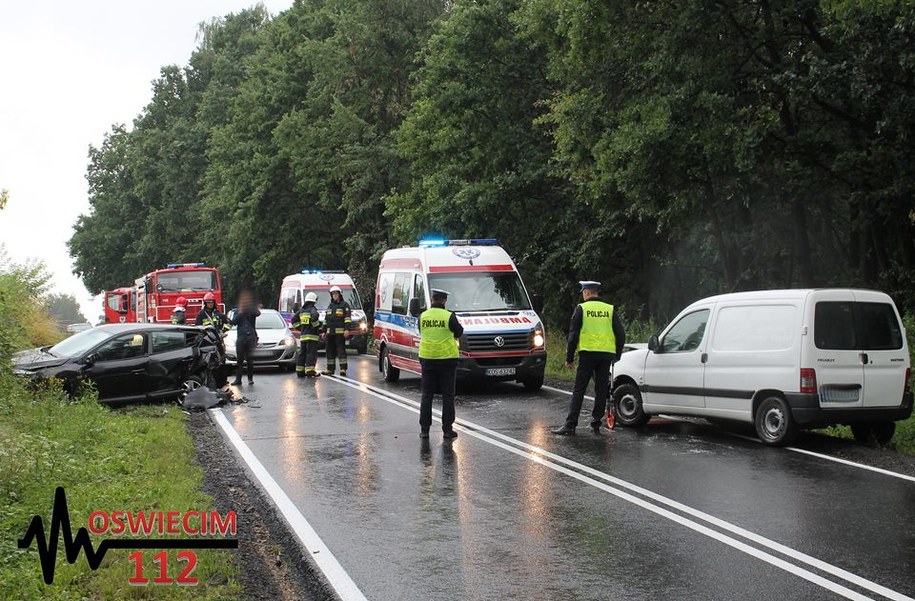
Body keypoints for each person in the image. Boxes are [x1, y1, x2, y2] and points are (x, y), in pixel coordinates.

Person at [553, 281, 626, 436]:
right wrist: (617, 355)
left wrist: (569, 358)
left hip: (587, 354)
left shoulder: (582, 308)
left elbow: (573, 336)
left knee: (579, 389)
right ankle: (596, 422)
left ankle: (571, 424)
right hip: (606, 355)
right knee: (600, 389)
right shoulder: (609, 309)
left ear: (586, 292)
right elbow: (621, 334)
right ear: (596, 292)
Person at [418, 288, 464, 439]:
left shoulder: (423, 316)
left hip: (427, 359)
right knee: (448, 395)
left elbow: (421, 331)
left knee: (426, 395)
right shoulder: (449, 316)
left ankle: (424, 430)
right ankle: (447, 430)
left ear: (432, 299)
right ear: (444, 300)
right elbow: (459, 332)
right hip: (447, 360)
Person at [230, 290, 260, 386]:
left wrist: (252, 306)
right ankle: (238, 379)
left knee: (250, 359)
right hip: (241, 338)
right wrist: (241, 312)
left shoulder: (252, 309)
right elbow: (233, 322)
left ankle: (250, 379)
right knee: (240, 360)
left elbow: (258, 313)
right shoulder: (238, 310)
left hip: (250, 337)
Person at [321, 285, 352, 376]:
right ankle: (330, 369)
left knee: (341, 351)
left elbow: (347, 319)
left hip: (340, 334)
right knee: (329, 351)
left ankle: (343, 369)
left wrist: (346, 329)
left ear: (339, 294)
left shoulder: (344, 305)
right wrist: (323, 331)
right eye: (333, 294)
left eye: (336, 293)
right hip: (330, 333)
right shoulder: (330, 306)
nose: (334, 295)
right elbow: (326, 320)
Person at [291, 293, 323, 378]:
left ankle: (300, 371)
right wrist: (317, 326)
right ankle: (310, 370)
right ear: (313, 301)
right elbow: (315, 317)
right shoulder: (312, 309)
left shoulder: (302, 310)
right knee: (311, 353)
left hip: (303, 336)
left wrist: (300, 328)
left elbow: (293, 320)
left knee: (302, 353)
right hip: (312, 336)